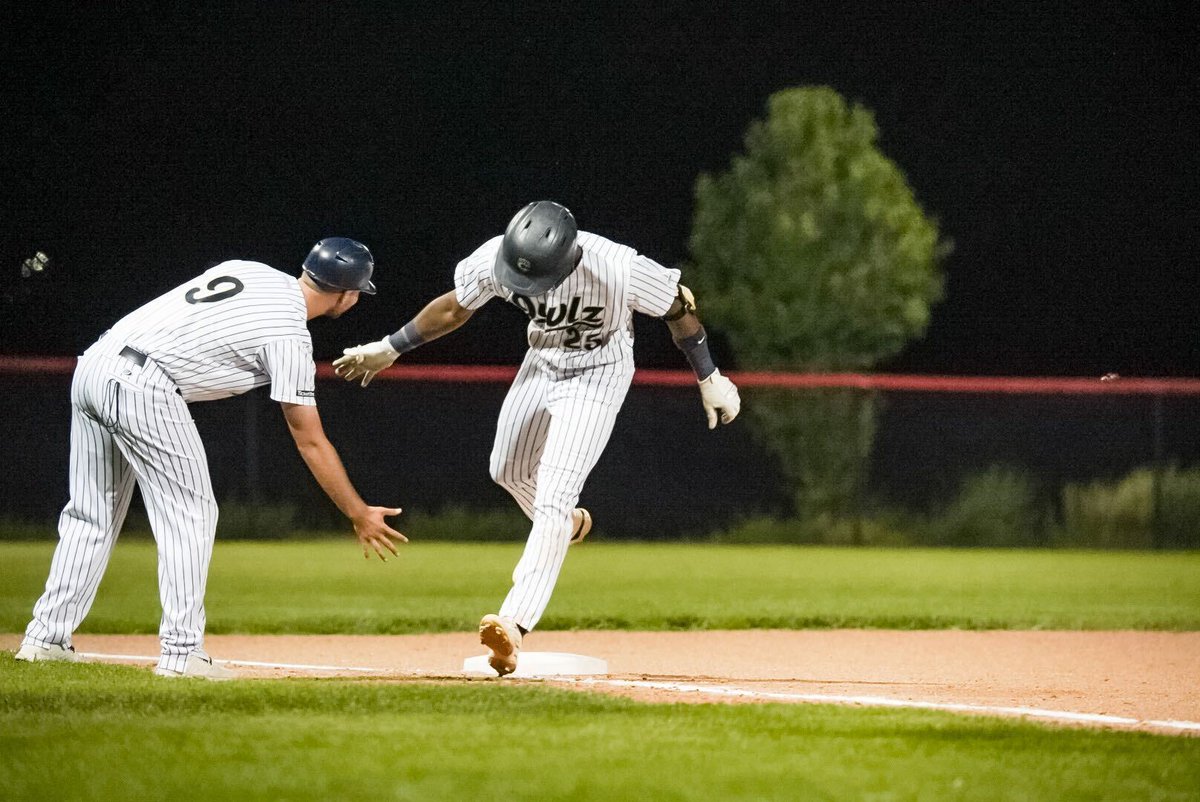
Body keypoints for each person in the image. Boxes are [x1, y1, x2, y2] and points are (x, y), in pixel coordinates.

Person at [334, 201, 740, 676]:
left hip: (598, 373)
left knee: (553, 495)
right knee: (505, 469)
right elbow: (453, 308)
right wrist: (390, 347)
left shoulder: (617, 267)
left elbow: (679, 307)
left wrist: (708, 375)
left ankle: (514, 625)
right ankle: (566, 527)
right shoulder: (497, 257)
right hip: (542, 362)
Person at [15, 239, 406, 679]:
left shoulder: (251, 268)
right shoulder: (290, 335)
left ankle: (45, 638)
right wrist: (357, 512)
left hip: (95, 363)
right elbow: (310, 440)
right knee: (191, 514)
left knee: (91, 515)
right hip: (145, 384)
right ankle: (182, 653)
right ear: (348, 294)